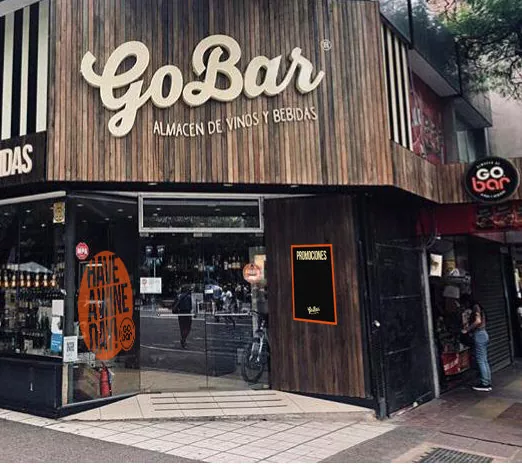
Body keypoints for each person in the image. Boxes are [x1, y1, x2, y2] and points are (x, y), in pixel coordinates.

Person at [461, 294, 492, 392]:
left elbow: (477, 321)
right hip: (483, 334)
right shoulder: (479, 307)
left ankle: (485, 384)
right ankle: (487, 382)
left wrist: (467, 330)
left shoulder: (475, 307)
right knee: (484, 360)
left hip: (479, 335)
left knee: (481, 360)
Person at [177, 285, 193, 349]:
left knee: (182, 327)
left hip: (180, 313)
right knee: (188, 327)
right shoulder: (189, 297)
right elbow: (191, 306)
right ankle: (183, 339)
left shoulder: (179, 296)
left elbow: (177, 305)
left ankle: (183, 340)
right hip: (187, 313)